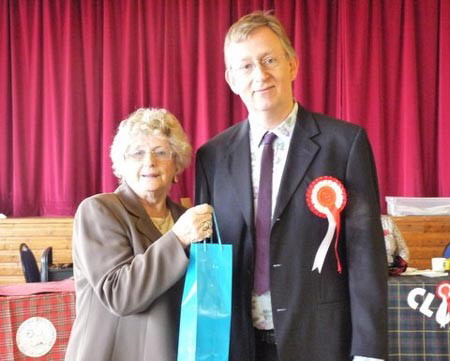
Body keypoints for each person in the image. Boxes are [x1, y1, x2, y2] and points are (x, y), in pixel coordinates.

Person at [195, 11, 388, 361]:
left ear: (292, 65)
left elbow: (365, 255)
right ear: (231, 79)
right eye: (247, 66)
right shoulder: (211, 156)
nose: (260, 75)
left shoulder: (344, 144)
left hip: (321, 339)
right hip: (239, 344)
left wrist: (369, 352)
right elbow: (208, 258)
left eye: (269, 60)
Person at [65, 108, 213, 361]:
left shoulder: (184, 218)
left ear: (176, 164)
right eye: (137, 153)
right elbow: (120, 295)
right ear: (121, 165)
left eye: (161, 152)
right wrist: (177, 239)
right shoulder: (100, 210)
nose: (149, 162)